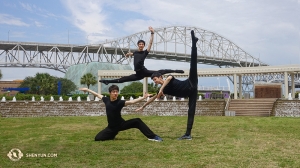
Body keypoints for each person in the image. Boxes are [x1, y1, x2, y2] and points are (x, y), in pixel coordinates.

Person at [136, 30, 199, 140]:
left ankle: (194, 42)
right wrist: (143, 106)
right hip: (190, 93)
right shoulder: (162, 90)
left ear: (160, 77)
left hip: (191, 83)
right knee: (191, 111)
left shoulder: (168, 79)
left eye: (155, 79)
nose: (155, 81)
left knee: (193, 64)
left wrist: (161, 89)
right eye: (154, 81)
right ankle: (188, 134)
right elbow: (153, 98)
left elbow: (169, 77)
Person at [99, 26, 184, 85]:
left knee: (161, 71)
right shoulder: (135, 52)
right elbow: (132, 54)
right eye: (139, 44)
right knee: (124, 79)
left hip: (144, 71)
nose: (141, 45)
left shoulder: (145, 52)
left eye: (142, 44)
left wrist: (152, 33)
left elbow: (150, 43)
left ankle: (177, 71)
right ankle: (107, 81)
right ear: (138, 45)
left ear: (143, 45)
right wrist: (128, 54)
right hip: (138, 74)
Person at [79, 85, 163, 142]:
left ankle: (152, 137)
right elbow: (97, 94)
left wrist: (143, 97)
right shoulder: (106, 100)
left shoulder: (120, 102)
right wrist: (87, 90)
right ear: (110, 93)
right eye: (113, 92)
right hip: (111, 127)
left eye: (117, 92)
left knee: (137, 121)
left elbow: (132, 101)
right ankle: (112, 135)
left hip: (121, 124)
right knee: (97, 138)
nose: (115, 93)